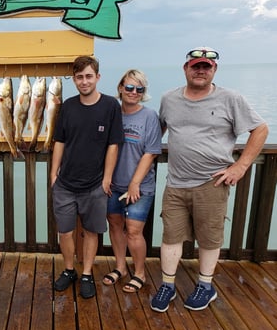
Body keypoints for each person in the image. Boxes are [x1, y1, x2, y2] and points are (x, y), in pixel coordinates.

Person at [151, 47, 268, 312]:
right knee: (170, 236)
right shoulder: (168, 98)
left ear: (214, 70)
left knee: (209, 237)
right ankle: (167, 285)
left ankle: (205, 285)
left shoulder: (231, 98)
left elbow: (260, 129)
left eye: (206, 67)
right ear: (185, 69)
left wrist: (240, 166)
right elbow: (157, 130)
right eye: (196, 66)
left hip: (212, 183)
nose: (200, 71)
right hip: (175, 183)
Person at [51, 55, 124, 299]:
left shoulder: (111, 105)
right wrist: (53, 175)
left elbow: (114, 144)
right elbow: (59, 141)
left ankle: (86, 273)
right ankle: (69, 270)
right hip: (65, 184)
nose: (84, 81)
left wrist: (107, 178)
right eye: (80, 77)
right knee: (65, 232)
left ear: (98, 77)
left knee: (92, 231)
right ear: (74, 79)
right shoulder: (68, 106)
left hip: (95, 184)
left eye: (88, 76)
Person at [103, 70, 162, 292]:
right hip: (113, 184)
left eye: (139, 89)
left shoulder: (149, 116)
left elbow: (151, 152)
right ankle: (120, 267)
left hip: (140, 186)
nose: (133, 92)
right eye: (129, 87)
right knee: (115, 224)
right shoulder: (112, 114)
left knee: (134, 230)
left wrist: (135, 183)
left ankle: (140, 273)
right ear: (120, 88)